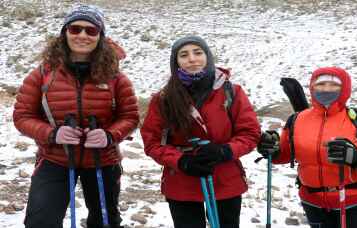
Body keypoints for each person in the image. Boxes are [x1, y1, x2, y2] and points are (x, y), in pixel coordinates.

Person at [13, 5, 139, 228]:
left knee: (105, 221)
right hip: (54, 158)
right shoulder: (43, 73)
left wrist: (109, 135)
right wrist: (52, 133)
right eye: (75, 28)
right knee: (40, 221)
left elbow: (130, 117)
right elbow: (23, 116)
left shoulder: (116, 77)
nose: (82, 35)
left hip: (103, 160)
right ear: (65, 33)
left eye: (91, 31)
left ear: (100, 36)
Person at [140, 35, 260, 228]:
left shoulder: (232, 91)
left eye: (198, 52)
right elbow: (152, 142)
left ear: (208, 56)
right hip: (181, 179)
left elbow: (250, 132)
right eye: (184, 55)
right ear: (176, 61)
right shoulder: (164, 99)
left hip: (224, 176)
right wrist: (180, 161)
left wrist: (225, 151)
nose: (192, 59)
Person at [257, 66, 357, 228]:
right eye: (321, 84)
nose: (326, 89)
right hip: (313, 203)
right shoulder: (297, 120)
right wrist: (271, 151)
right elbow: (284, 155)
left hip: (355, 203)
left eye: (334, 85)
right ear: (312, 87)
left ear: (345, 88)